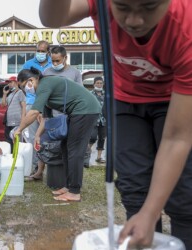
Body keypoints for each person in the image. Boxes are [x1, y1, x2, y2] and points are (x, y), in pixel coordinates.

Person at [39, 0, 192, 248]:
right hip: (124, 99)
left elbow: (177, 138)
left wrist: (152, 212)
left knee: (184, 195)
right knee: (134, 188)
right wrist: (144, 213)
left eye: (149, 7)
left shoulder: (186, 26)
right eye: (122, 6)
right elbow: (52, 17)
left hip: (174, 99)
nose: (134, 20)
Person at [14, 68, 101, 202]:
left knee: (75, 150)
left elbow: (33, 112)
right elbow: (45, 118)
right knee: (65, 147)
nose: (25, 90)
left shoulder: (44, 84)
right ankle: (68, 186)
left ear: (31, 80)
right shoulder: (42, 90)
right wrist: (38, 136)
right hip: (77, 112)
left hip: (86, 109)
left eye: (24, 86)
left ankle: (75, 191)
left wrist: (19, 129)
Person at [27, 46, 85, 181]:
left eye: (58, 60)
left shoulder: (75, 73)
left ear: (65, 58)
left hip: (69, 114)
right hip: (51, 114)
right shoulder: (47, 71)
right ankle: (39, 171)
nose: (55, 64)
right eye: (52, 60)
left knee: (67, 146)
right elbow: (41, 92)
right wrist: (41, 111)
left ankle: (67, 175)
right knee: (44, 142)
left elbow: (80, 92)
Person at [22, 40, 53, 174]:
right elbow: (22, 83)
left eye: (43, 51)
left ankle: (49, 166)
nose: (40, 53)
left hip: (50, 104)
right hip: (32, 103)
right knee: (33, 137)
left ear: (48, 52)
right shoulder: (28, 64)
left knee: (50, 135)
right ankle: (35, 167)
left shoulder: (54, 64)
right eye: (38, 51)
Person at [84, 76, 106, 167]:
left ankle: (99, 157)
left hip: (104, 120)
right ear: (94, 84)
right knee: (92, 137)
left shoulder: (106, 94)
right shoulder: (90, 94)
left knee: (102, 138)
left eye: (101, 83)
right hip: (93, 119)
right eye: (97, 83)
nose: (99, 85)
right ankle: (86, 155)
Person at [2, 76, 26, 151]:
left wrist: (22, 121)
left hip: (17, 122)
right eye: (8, 82)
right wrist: (5, 94)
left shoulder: (20, 92)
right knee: (9, 141)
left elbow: (24, 107)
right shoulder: (10, 94)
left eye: (11, 82)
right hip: (9, 122)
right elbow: (3, 104)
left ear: (16, 82)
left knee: (16, 141)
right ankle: (11, 157)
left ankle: (16, 157)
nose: (9, 84)